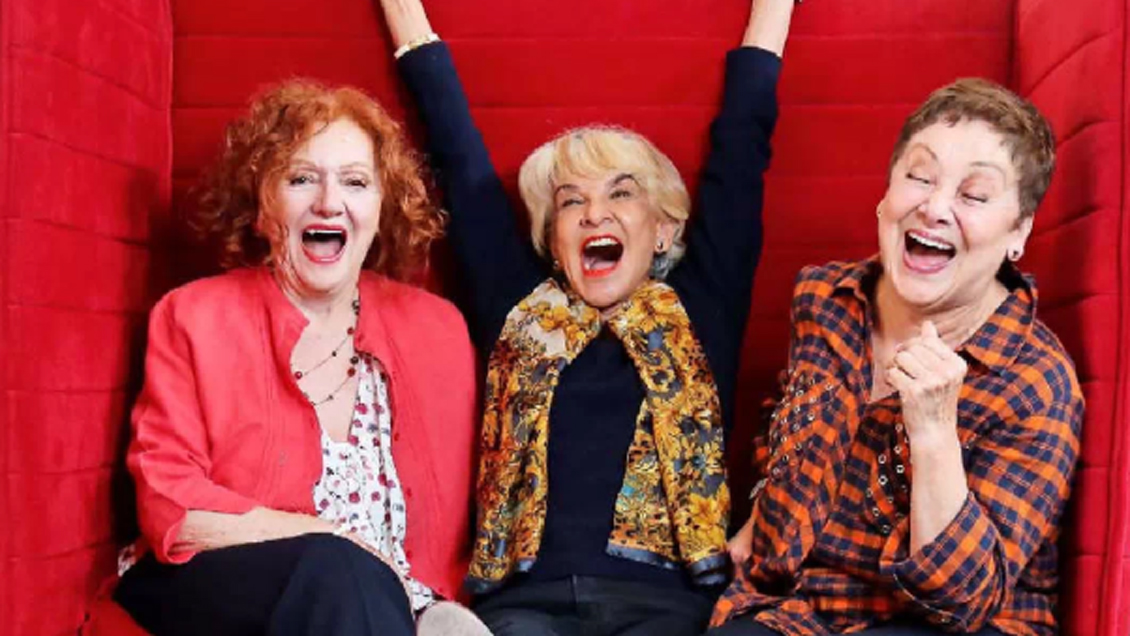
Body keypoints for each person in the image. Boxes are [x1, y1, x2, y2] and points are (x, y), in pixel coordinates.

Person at [374, 0, 797, 634]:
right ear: (552, 239)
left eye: (621, 193)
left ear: (664, 230)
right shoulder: (517, 305)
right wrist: (404, 14)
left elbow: (742, 146)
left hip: (666, 610)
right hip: (525, 608)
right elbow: (456, 153)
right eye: (572, 202)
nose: (594, 213)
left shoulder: (703, 304)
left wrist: (774, 8)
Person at [709, 79, 1083, 636]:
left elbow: (963, 601)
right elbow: (784, 420)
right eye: (920, 177)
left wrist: (933, 432)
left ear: (1017, 232)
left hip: (945, 625)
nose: (934, 208)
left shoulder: (1037, 383)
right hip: (801, 608)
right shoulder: (824, 299)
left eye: (974, 195)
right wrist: (764, 509)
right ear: (886, 195)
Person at [113, 79, 484, 635]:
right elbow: (171, 508)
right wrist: (326, 536)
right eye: (301, 178)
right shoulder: (194, 316)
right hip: (215, 586)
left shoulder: (438, 331)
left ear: (381, 208)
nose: (329, 202)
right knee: (338, 571)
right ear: (261, 207)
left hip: (385, 610)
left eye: (355, 182)